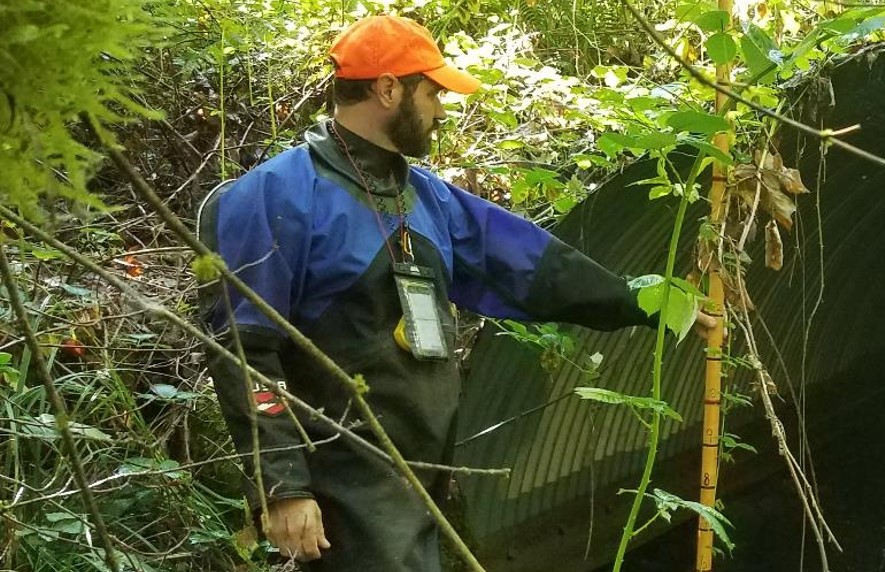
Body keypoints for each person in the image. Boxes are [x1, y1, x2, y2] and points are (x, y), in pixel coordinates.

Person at [196, 15, 706, 571]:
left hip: (428, 473)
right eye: (433, 91)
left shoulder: (424, 197)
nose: (442, 109)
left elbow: (531, 266)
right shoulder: (273, 196)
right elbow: (242, 350)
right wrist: (284, 485)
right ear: (388, 88)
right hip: (348, 476)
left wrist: (645, 303)